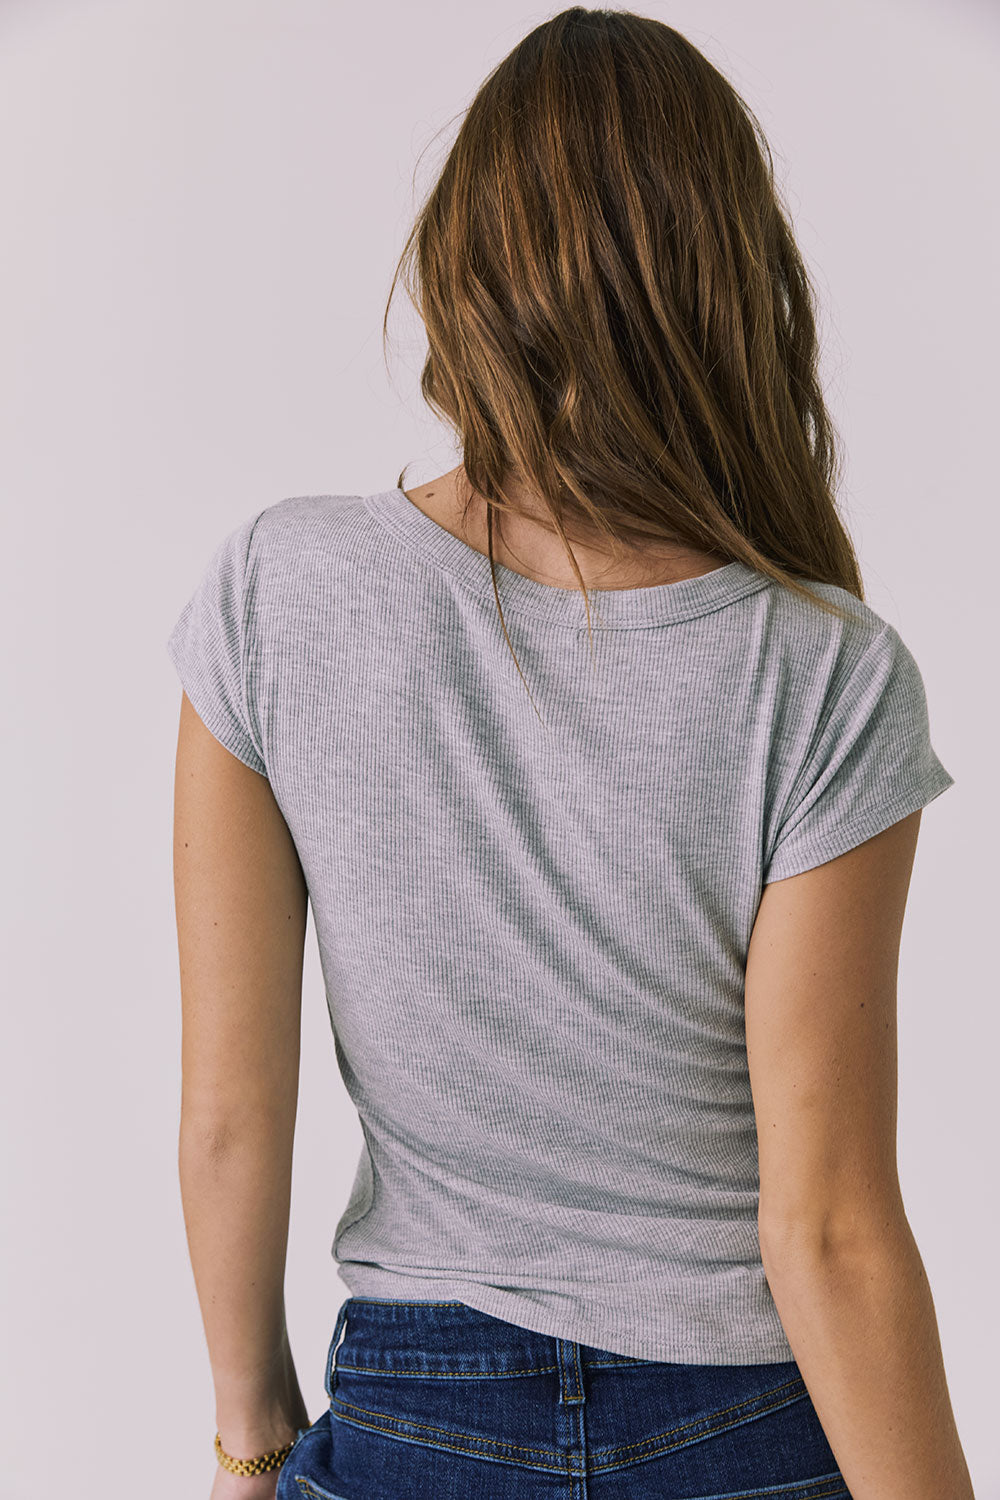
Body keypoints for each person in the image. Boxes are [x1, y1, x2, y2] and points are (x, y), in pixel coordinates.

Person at [167, 8, 974, 1499]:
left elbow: (229, 1114)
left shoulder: (282, 594)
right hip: (742, 1426)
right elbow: (830, 1225)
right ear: (736, 281)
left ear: (464, 263)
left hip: (415, 1412)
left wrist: (249, 1442)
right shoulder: (823, 672)